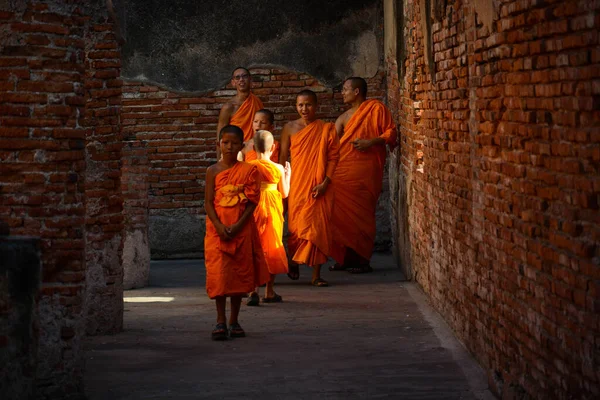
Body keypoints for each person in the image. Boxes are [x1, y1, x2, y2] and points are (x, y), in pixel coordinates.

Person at [204, 125, 269, 340]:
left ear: (242, 146)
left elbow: (252, 202)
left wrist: (239, 225)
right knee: (220, 276)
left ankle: (234, 320)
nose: (229, 147)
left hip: (241, 230)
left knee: (238, 277)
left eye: (234, 143)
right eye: (225, 143)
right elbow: (208, 203)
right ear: (219, 144)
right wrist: (219, 226)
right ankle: (220, 320)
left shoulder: (249, 170)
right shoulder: (212, 171)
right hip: (217, 231)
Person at [329, 77, 397, 273]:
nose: (342, 93)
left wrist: (372, 142)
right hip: (343, 174)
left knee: (362, 217)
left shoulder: (376, 109)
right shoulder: (342, 118)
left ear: (357, 92)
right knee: (340, 217)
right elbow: (332, 147)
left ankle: (362, 261)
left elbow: (391, 133)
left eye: (345, 89)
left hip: (366, 173)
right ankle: (345, 259)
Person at [279, 89, 339, 287]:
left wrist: (325, 182)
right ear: (296, 106)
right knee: (296, 228)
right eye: (300, 105)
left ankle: (316, 275)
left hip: (320, 185)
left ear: (316, 106)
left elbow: (333, 157)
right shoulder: (289, 128)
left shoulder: (325, 128)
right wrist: (281, 184)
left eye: (308, 104)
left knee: (318, 228)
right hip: (297, 184)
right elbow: (282, 159)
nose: (304, 109)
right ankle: (294, 259)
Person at [246, 129, 291, 306]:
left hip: (254, 208)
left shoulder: (249, 166)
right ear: (273, 147)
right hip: (272, 208)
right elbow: (285, 193)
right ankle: (269, 291)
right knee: (271, 247)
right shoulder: (278, 167)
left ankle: (252, 291)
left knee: (254, 248)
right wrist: (288, 175)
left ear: (253, 147)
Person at [216, 67, 264, 160]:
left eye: (244, 76)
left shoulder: (257, 102)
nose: (241, 79)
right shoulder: (229, 107)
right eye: (237, 78)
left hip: (254, 149)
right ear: (233, 82)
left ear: (250, 79)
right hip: (236, 152)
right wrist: (220, 160)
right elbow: (220, 136)